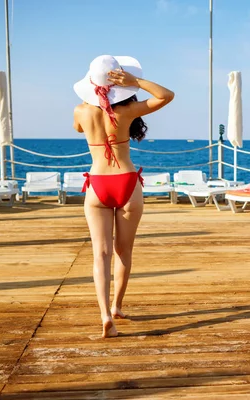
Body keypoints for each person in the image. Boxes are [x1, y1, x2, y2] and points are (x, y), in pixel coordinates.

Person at [73, 55, 174, 337]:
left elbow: (78, 128)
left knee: (100, 254)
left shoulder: (81, 111)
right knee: (123, 252)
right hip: (127, 182)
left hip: (97, 186)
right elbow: (167, 96)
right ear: (120, 83)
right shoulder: (127, 113)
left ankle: (106, 315)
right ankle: (117, 306)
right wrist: (135, 83)